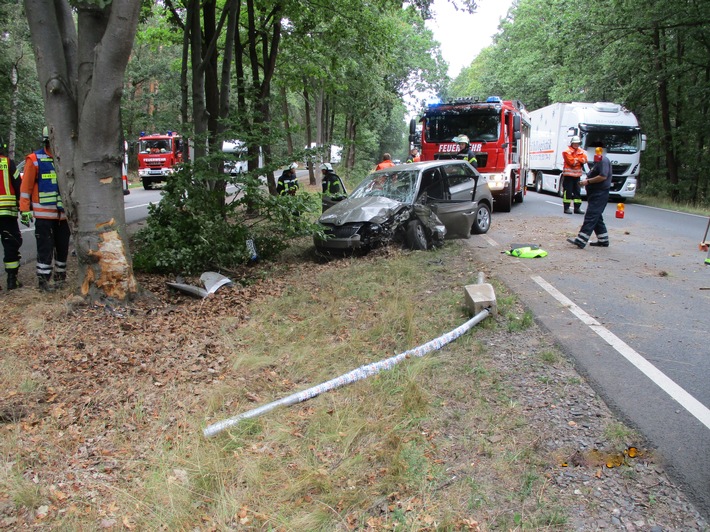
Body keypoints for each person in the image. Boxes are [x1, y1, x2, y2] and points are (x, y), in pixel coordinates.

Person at [19, 126, 71, 291]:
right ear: (48, 141)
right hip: (43, 217)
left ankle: (60, 278)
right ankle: (43, 281)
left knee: (62, 248)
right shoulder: (34, 159)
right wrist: (25, 211)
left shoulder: (65, 159)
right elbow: (25, 189)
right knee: (45, 249)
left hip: (63, 216)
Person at [567, 144, 612, 249]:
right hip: (596, 193)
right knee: (597, 217)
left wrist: (587, 182)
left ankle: (581, 240)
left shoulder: (603, 160)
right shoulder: (599, 161)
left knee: (591, 216)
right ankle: (603, 240)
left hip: (599, 193)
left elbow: (603, 176)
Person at [0, 138, 23, 290]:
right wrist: (22, 206)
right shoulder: (8, 163)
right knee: (10, 244)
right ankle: (11, 280)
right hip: (7, 212)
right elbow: (18, 185)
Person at [561, 135, 587, 214]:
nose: (576, 145)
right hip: (568, 176)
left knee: (577, 192)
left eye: (577, 143)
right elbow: (571, 162)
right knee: (568, 192)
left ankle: (577, 208)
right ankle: (566, 208)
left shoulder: (581, 151)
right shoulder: (566, 151)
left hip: (577, 176)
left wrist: (577, 160)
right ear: (572, 143)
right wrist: (579, 160)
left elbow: (585, 160)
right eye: (575, 143)